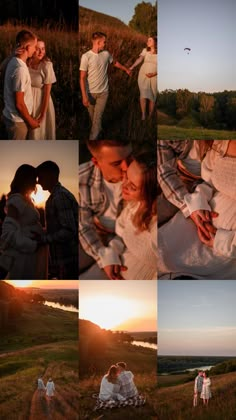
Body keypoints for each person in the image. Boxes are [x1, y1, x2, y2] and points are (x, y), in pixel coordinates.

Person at [158, 140, 236, 279]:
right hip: (193, 227)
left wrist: (223, 241)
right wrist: (197, 204)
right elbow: (209, 182)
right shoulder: (222, 143)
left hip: (222, 254)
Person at [80, 150, 157, 280]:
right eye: (126, 176)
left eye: (132, 187)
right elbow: (120, 235)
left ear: (150, 192)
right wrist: (110, 254)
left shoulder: (154, 227)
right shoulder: (132, 207)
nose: (124, 185)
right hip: (115, 258)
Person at [79, 139, 132, 279]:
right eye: (116, 163)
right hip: (96, 232)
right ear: (96, 162)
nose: (126, 167)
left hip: (128, 233)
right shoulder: (81, 180)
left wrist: (115, 247)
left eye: (128, 158)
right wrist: (104, 256)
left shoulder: (139, 171)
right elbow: (83, 226)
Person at [80, 32, 131, 140]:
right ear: (98, 42)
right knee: (94, 120)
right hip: (90, 94)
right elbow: (82, 78)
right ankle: (100, 135)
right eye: (104, 42)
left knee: (96, 120)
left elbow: (115, 63)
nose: (105, 44)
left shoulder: (106, 54)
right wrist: (84, 96)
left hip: (103, 92)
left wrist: (126, 69)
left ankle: (92, 142)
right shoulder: (86, 57)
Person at [0, 165, 48, 280]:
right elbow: (8, 233)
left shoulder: (25, 199)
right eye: (34, 179)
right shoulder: (16, 200)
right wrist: (32, 245)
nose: (36, 183)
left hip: (30, 256)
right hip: (23, 258)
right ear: (25, 179)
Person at [36, 161, 78, 279]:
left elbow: (69, 230)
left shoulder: (60, 197)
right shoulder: (55, 196)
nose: (38, 182)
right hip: (63, 260)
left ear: (51, 175)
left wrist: (44, 239)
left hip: (68, 260)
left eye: (41, 177)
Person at [157, 140, 214, 226]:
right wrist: (190, 206)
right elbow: (165, 171)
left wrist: (194, 205)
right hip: (180, 175)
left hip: (211, 182)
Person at [2, 30, 40, 140]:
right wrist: (31, 122)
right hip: (18, 123)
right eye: (34, 47)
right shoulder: (20, 69)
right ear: (28, 48)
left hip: (11, 117)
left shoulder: (13, 61)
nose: (35, 50)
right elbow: (19, 104)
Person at [27, 38, 56, 140]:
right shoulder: (26, 63)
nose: (41, 52)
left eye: (43, 49)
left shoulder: (47, 65)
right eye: (38, 49)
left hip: (42, 102)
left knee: (39, 133)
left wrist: (42, 115)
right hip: (28, 101)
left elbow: (47, 92)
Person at [129, 36, 157, 120]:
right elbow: (140, 59)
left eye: (150, 40)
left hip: (155, 76)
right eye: (147, 40)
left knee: (152, 96)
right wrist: (132, 67)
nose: (147, 42)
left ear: (155, 42)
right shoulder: (145, 50)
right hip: (143, 75)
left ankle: (150, 116)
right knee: (143, 94)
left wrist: (154, 73)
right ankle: (143, 115)